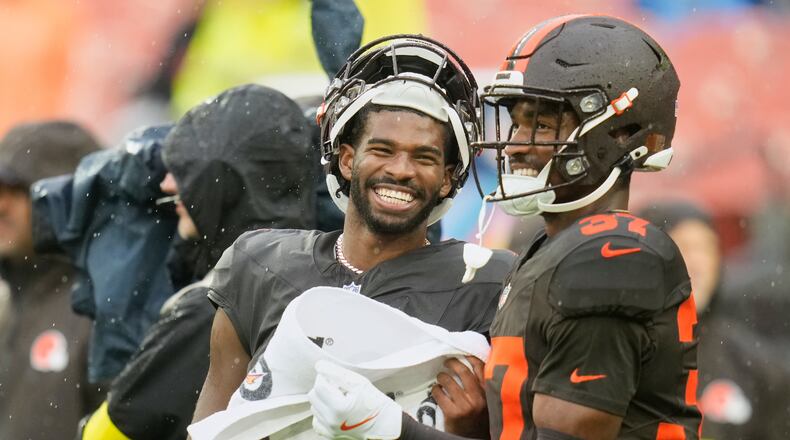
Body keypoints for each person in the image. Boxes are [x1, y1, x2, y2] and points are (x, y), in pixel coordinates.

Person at [307, 15, 702, 440]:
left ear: (619, 133)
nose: (515, 144)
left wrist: (394, 430)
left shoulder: (609, 257)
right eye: (518, 121)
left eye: (543, 125)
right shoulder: (554, 248)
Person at [191, 34, 515, 437]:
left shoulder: (488, 286)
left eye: (424, 156)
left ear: (450, 178)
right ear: (346, 159)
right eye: (382, 149)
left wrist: (469, 429)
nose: (401, 169)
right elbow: (211, 429)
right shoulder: (259, 264)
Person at [76, 83, 317, 440]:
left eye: (188, 169)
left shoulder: (212, 309)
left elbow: (104, 435)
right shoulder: (329, 281)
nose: (168, 183)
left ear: (229, 184)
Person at [640, 201, 790, 439]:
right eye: (685, 247)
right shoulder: (617, 354)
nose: (698, 263)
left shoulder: (755, 367)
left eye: (707, 248)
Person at [0, 121, 103, 439]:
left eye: (21, 190)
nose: (1, 204)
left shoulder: (105, 312)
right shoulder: (7, 306)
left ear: (74, 198)